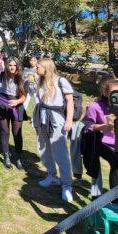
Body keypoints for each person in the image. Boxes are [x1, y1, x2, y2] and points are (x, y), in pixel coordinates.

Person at [33, 58, 75, 203]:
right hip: (42, 117)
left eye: (38, 66)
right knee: (44, 148)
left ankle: (67, 185)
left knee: (60, 152)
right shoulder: (41, 80)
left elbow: (70, 101)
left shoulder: (61, 81)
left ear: (46, 67)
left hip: (56, 119)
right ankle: (51, 175)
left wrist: (69, 120)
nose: (35, 68)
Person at [0, 58, 27, 170]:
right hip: (3, 106)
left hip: (17, 107)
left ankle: (18, 158)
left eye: (14, 65)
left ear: (18, 66)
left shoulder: (21, 77)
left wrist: (17, 101)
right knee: (4, 132)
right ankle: (6, 157)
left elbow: (24, 96)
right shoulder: (3, 74)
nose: (12, 67)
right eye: (10, 65)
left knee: (17, 133)